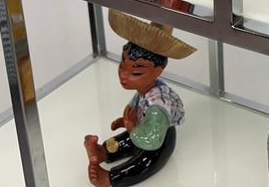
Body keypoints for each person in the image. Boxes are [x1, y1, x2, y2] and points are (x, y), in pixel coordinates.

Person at [83, 11, 196, 187]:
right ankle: (103, 151)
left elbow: (152, 141)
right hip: (141, 130)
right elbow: (136, 108)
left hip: (158, 141)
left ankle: (111, 178)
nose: (124, 75)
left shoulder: (158, 108)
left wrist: (132, 128)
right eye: (122, 65)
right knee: (125, 140)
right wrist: (126, 122)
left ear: (157, 72)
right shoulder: (145, 91)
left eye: (136, 72)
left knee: (144, 161)